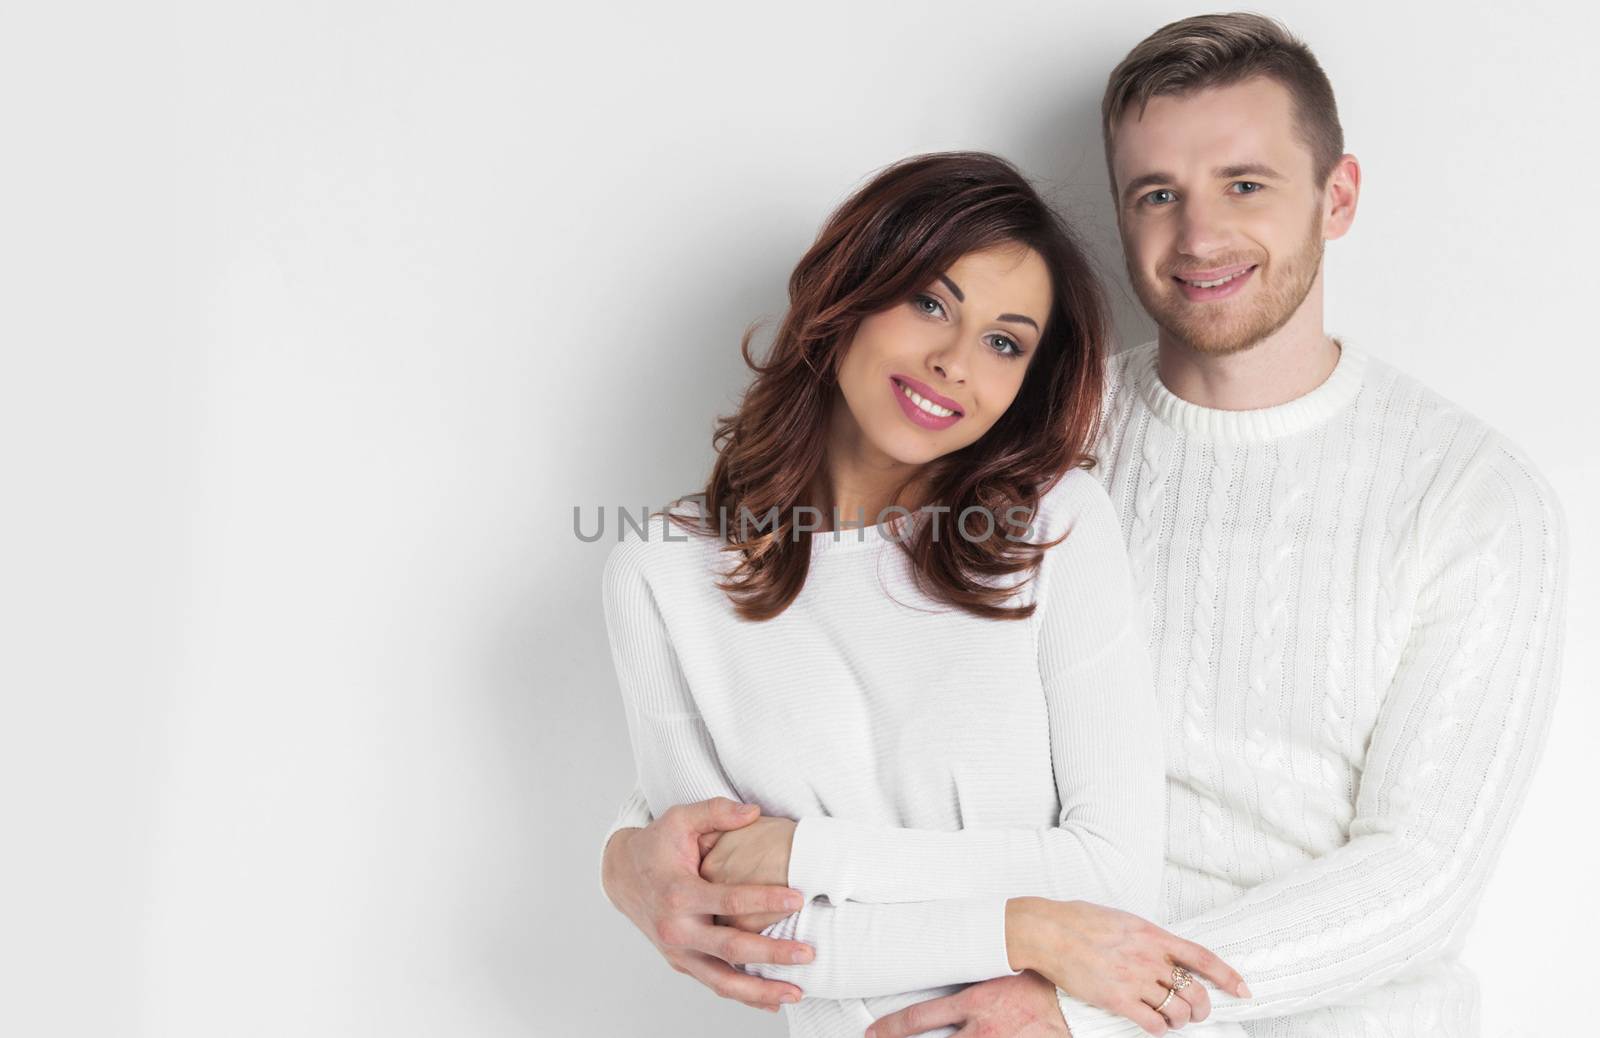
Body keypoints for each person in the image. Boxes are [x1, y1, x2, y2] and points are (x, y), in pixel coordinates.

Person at [603, 13, 1569, 1038]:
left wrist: (1077, 994)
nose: (1198, 236)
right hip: (974, 984)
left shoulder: (1471, 496)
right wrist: (630, 856)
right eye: (1158, 195)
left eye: (1245, 184)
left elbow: (1421, 875)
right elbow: (817, 710)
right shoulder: (1015, 438)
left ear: (1338, 198)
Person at [599, 150, 1248, 1038]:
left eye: (1003, 341)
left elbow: (1112, 876)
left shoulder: (1052, 528)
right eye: (930, 303)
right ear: (849, 294)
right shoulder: (664, 575)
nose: (954, 362)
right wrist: (1025, 926)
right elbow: (740, 928)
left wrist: (806, 852)